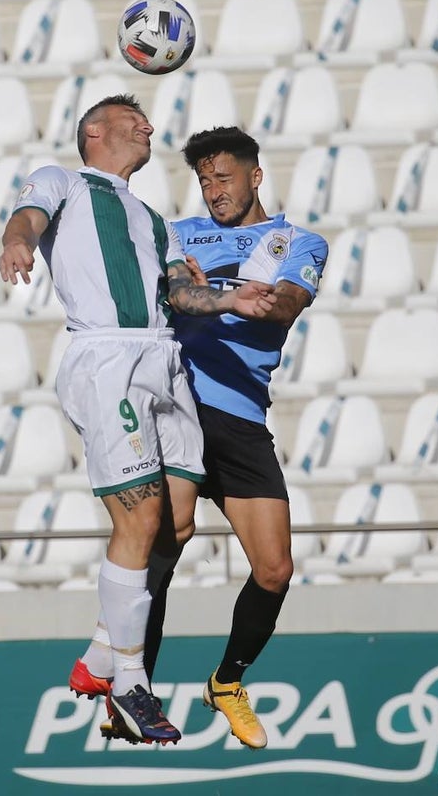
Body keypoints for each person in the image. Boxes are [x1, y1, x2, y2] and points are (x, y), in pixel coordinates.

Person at [0, 95, 276, 745]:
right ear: (94, 132)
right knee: (141, 518)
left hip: (166, 362)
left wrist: (238, 295)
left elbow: (182, 294)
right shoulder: (64, 181)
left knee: (176, 523)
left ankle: (99, 656)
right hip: (108, 360)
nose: (147, 125)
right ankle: (128, 685)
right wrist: (17, 243)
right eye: (132, 118)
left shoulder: (157, 221)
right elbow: (27, 217)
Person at [170, 126, 328, 749]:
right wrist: (226, 297)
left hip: (240, 418)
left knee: (274, 569)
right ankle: (130, 679)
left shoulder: (297, 241)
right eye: (205, 180)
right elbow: (173, 296)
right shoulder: (180, 234)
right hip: (178, 406)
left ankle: (227, 681)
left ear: (255, 176)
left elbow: (285, 304)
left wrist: (221, 295)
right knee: (166, 539)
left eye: (224, 178)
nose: (213, 191)